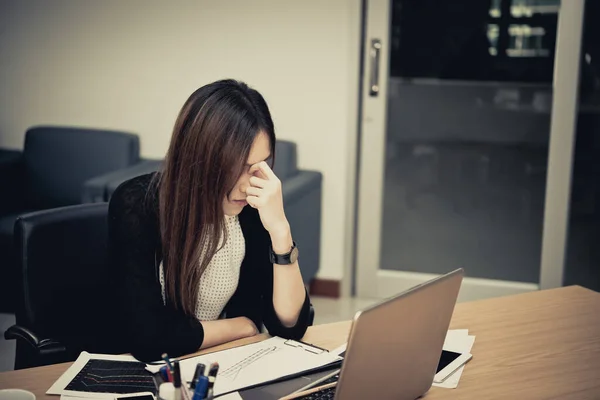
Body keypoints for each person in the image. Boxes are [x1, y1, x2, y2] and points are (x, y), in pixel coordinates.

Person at [108, 79, 311, 361]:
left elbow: (290, 325)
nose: (248, 184)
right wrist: (239, 326)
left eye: (259, 166)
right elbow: (149, 339)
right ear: (200, 161)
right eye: (236, 168)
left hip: (216, 363)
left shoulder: (252, 207)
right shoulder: (138, 204)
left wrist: (280, 231)